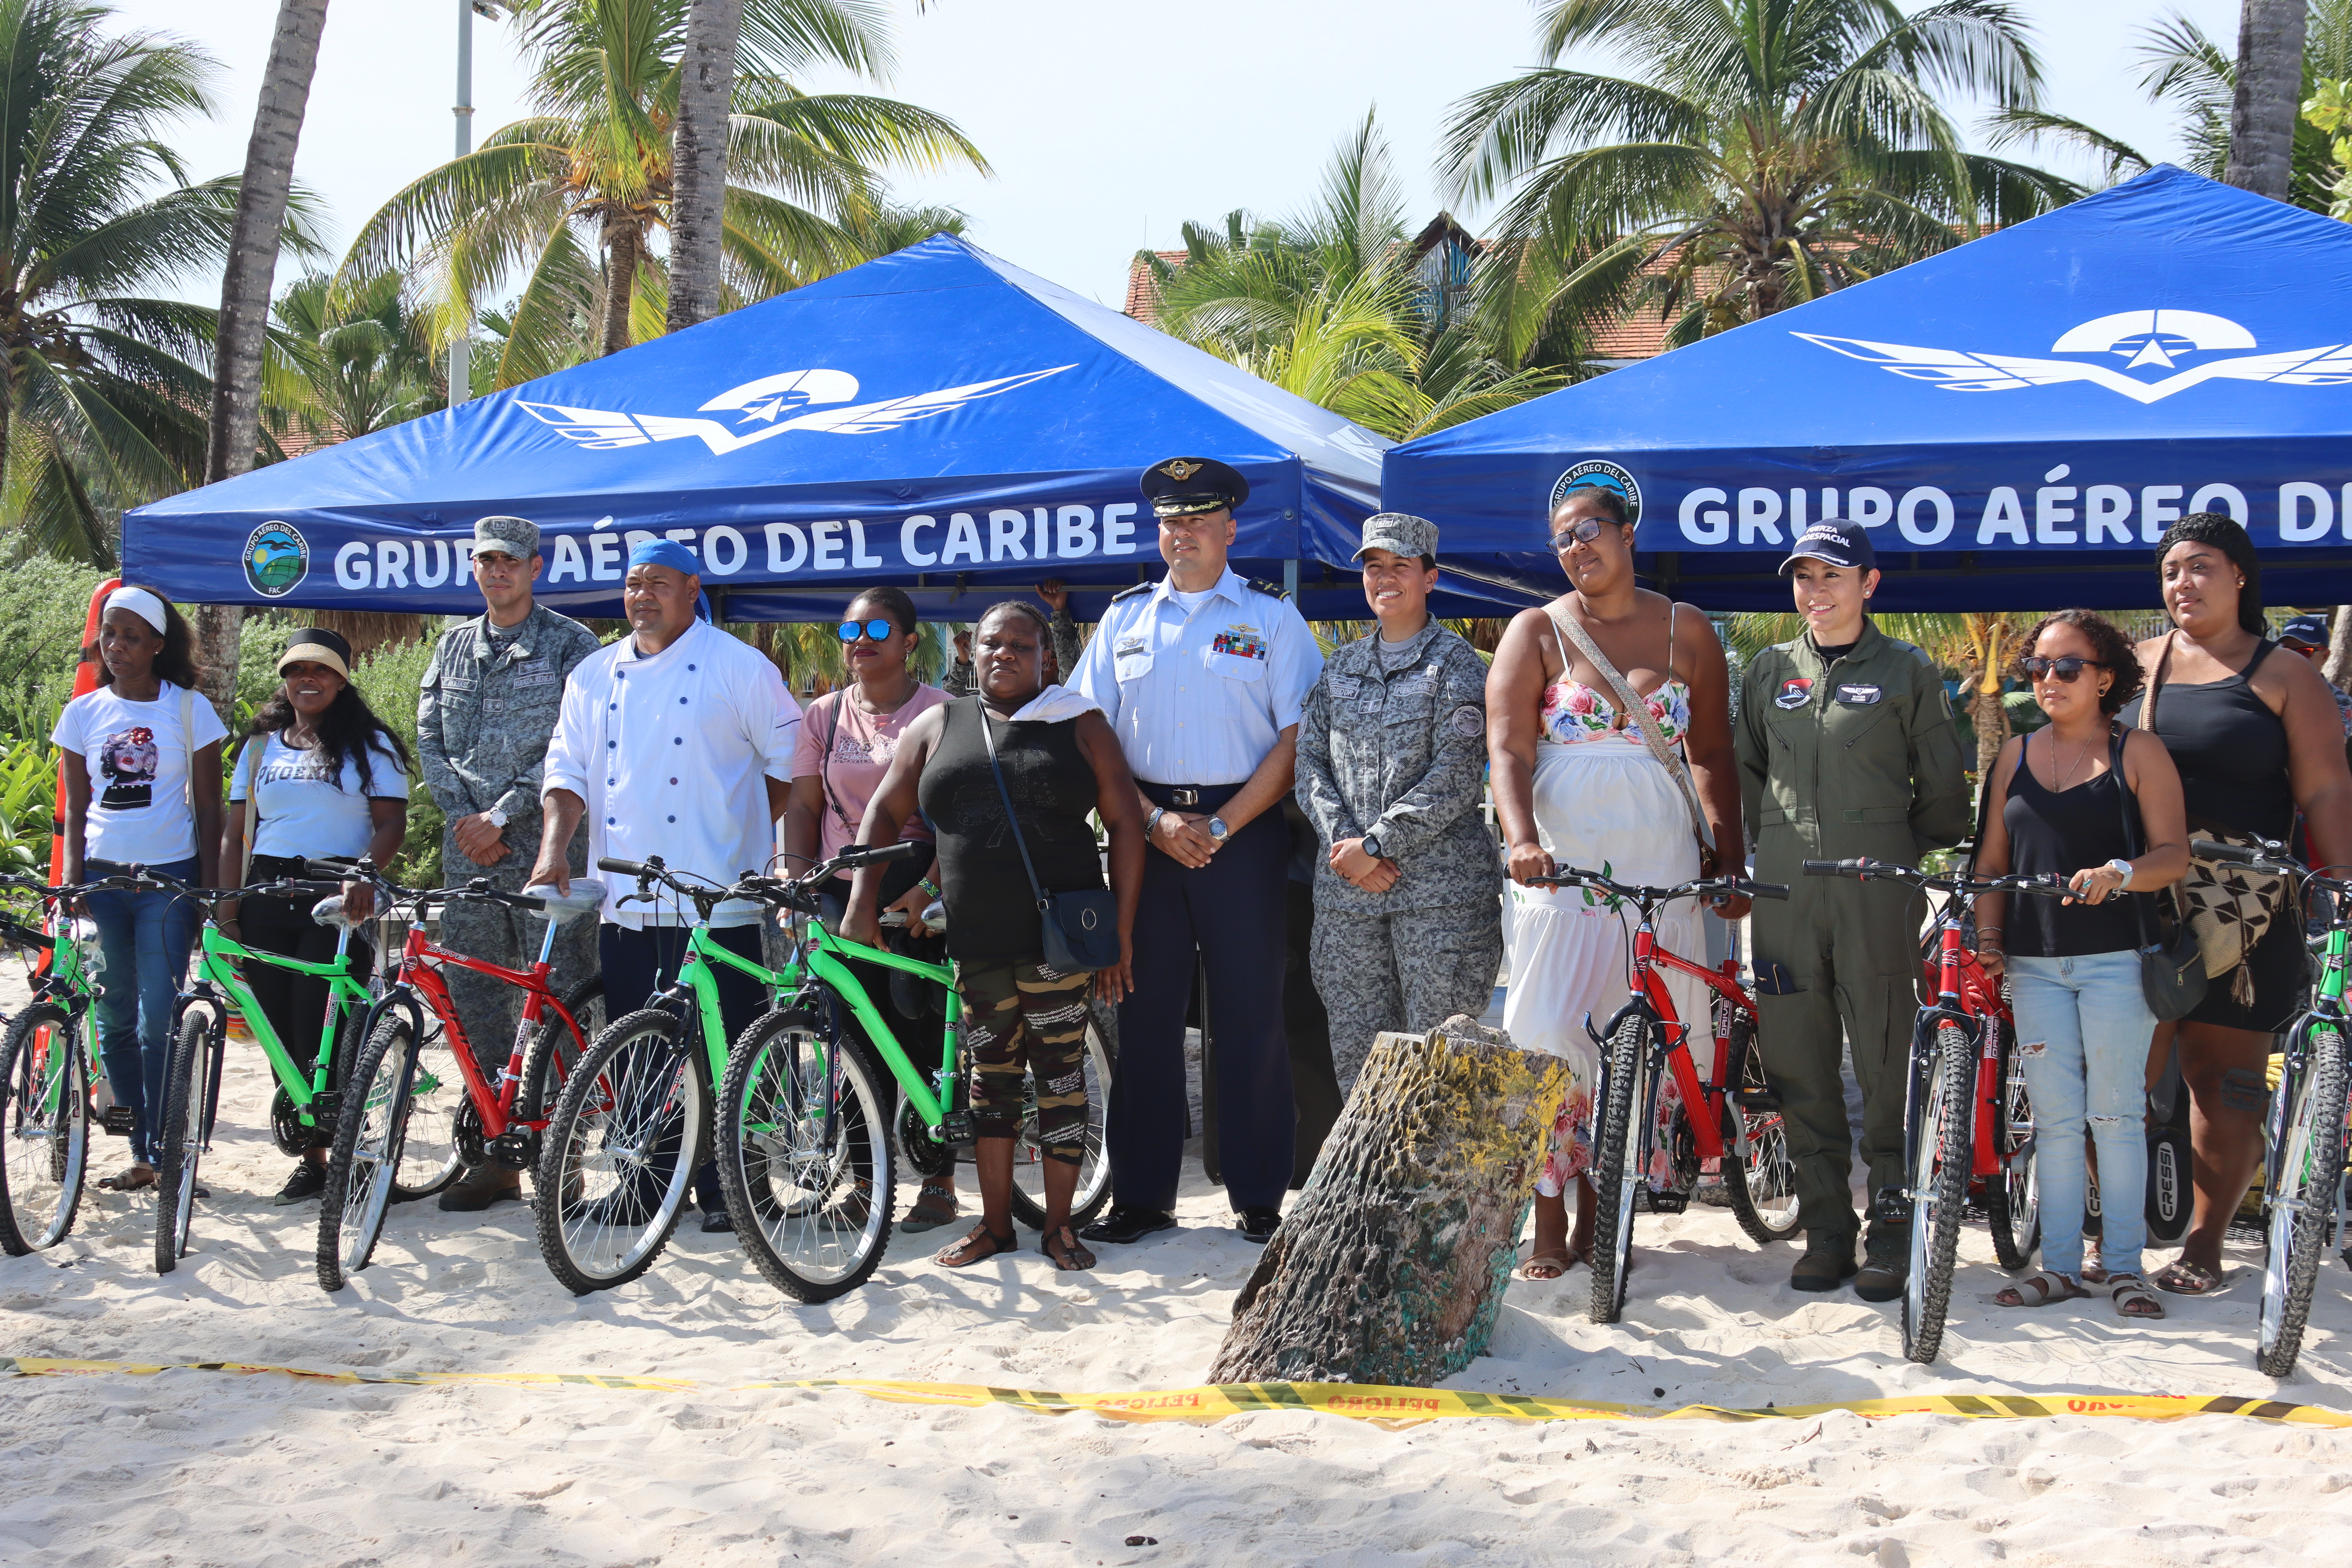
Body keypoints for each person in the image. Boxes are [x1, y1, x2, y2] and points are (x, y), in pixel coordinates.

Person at [1489, 485, 1745, 1279]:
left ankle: (1608, 1214)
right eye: (1563, 540)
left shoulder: (1688, 628)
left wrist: (1727, 857)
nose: (1577, 549)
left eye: (1590, 531)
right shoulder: (1535, 630)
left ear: (1629, 532)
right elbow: (1508, 749)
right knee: (1541, 1036)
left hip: (1659, 869)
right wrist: (1521, 838)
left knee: (1636, 1035)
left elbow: (1710, 756)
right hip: (1560, 876)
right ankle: (1546, 1217)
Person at [1068, 456, 1322, 1245]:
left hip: (1240, 837)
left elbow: (1298, 738)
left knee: (1252, 1018)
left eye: (1198, 520)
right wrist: (1148, 823)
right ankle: (1144, 1197)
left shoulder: (1273, 619)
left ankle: (1257, 1194)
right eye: (1170, 522)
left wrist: (1223, 825)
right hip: (1145, 835)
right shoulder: (1123, 620)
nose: (1182, 534)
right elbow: (1089, 730)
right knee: (1141, 1017)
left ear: (1229, 530)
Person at [844, 600, 1144, 1271]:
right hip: (975, 944)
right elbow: (884, 811)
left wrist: (1120, 931)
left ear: (1048, 658)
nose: (1003, 654)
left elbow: (1126, 824)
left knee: (1061, 1078)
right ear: (969, 655)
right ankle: (997, 1227)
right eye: (989, 644)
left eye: (1019, 645)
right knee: (991, 1085)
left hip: (1057, 945)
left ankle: (1061, 1226)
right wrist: (864, 899)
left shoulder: (1079, 724)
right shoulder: (938, 724)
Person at [533, 538, 801, 1233]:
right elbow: (566, 773)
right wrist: (554, 851)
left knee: (728, 1049)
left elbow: (789, 767)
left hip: (719, 900)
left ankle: (732, 1188)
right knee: (639, 1048)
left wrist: (735, 831)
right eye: (631, 584)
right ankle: (646, 1185)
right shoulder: (592, 675)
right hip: (626, 898)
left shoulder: (739, 666)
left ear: (691, 588)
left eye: (657, 584)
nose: (641, 596)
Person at [2119, 513, 2352, 1295]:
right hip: (2142, 896)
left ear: (2241, 576)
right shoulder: (2132, 665)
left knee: (2225, 1080)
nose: (2184, 582)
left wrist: (2344, 879)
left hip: (2250, 905)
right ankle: (2118, 1237)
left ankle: (2205, 1243)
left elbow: (2323, 785)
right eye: (2172, 570)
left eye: (2202, 567)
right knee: (2121, 1070)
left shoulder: (2287, 675)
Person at [1736, 519, 1970, 1298]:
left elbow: (1943, 790)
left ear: (1869, 584)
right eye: (1803, 578)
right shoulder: (1769, 670)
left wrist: (1898, 844)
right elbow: (1749, 771)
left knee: (1883, 1050)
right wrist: (1771, 843)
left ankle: (1894, 1223)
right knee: (1798, 1055)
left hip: (1876, 882)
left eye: (1832, 576)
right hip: (1783, 886)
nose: (1816, 592)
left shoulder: (1907, 670)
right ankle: (1829, 1226)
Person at [1971, 610, 2187, 1320]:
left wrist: (2121, 871)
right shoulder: (2013, 755)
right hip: (2034, 966)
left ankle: (2124, 1269)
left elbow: (2174, 857)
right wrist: (1990, 941)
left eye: (2067, 666)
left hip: (2116, 961)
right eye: (2039, 666)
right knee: (2057, 1122)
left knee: (2118, 1115)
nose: (2049, 679)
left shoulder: (2139, 752)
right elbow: (1992, 866)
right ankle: (2059, 1268)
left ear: (2105, 677)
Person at [415, 515, 603, 1211]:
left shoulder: (571, 646)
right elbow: (429, 735)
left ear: (535, 568)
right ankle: (494, 1152)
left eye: (511, 562)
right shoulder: (453, 645)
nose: (498, 572)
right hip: (469, 860)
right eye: (487, 561)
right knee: (477, 998)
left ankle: (565, 1155)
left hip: (545, 851)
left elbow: (573, 746)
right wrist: (466, 818)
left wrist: (500, 817)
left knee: (558, 996)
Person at [1295, 512, 1501, 1099]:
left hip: (1440, 905)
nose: (1385, 578)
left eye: (1401, 567)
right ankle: (1369, 1191)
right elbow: (1309, 765)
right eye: (1374, 566)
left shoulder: (1457, 667)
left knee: (1442, 1070)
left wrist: (1377, 845)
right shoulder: (1339, 672)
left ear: (1430, 578)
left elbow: (1457, 777)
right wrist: (1347, 847)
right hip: (1349, 902)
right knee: (1362, 1073)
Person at [219, 628, 410, 1205]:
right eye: (297, 669)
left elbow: (391, 825)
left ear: (342, 679)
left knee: (323, 1024)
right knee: (279, 1032)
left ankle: (354, 1152)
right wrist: (228, 913)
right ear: (284, 678)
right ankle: (313, 1159)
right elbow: (235, 834)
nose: (308, 679)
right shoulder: (259, 746)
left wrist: (364, 874)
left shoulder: (372, 745)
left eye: (322, 670)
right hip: (267, 897)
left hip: (338, 897)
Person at [783, 585, 953, 1229]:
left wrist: (931, 888)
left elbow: (957, 822)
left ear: (911, 642)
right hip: (838, 887)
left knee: (915, 1025)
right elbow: (804, 807)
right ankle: (863, 1180)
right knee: (844, 1036)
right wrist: (797, 882)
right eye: (849, 631)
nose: (858, 643)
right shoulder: (824, 715)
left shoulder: (942, 711)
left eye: (877, 632)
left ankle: (937, 1181)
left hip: (913, 883)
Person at [52, 587, 226, 1193]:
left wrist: (208, 894)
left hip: (167, 884)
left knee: (159, 1020)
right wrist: (73, 880)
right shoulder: (82, 714)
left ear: (157, 644)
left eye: (130, 636)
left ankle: (168, 1148)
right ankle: (139, 1150)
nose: (116, 646)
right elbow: (76, 809)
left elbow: (210, 808)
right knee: (115, 1020)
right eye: (108, 634)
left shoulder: (190, 710)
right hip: (102, 881)